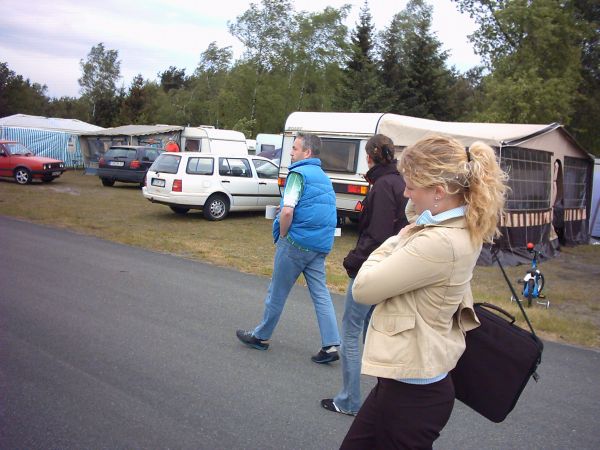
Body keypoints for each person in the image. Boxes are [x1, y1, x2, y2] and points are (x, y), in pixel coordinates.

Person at [340, 135, 508, 449]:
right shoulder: (456, 226)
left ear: (439, 192)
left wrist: (395, 240)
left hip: (412, 396)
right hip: (406, 383)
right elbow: (415, 218)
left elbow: (363, 288)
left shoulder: (437, 242)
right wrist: (414, 223)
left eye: (411, 187)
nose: (405, 193)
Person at [320, 134, 409, 416]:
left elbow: (377, 235)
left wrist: (353, 260)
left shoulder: (383, 186)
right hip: (393, 267)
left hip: (372, 269)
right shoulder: (399, 182)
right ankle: (388, 399)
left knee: (351, 330)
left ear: (369, 156)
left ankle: (349, 400)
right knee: (377, 332)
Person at [236, 133, 341, 363]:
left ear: (307, 152)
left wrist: (283, 234)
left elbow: (287, 211)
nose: (291, 153)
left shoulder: (298, 174)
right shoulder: (324, 177)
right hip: (318, 246)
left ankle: (261, 337)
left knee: (277, 292)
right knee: (321, 294)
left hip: (295, 244)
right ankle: (331, 344)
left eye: (295, 148)